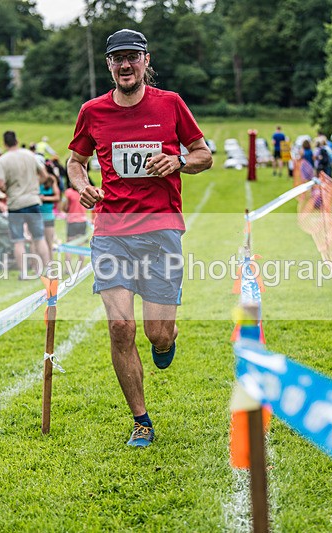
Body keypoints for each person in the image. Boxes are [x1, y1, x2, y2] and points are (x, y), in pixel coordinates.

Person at [67, 28, 213, 447]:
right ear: (109, 65)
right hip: (111, 231)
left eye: (133, 57)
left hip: (160, 231)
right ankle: (141, 420)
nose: (125, 65)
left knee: (157, 334)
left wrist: (178, 161)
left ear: (146, 61)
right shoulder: (92, 111)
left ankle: (167, 339)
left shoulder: (170, 104)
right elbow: (75, 162)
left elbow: (204, 155)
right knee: (119, 327)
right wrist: (83, 185)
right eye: (117, 59)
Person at [0, 130, 51, 279]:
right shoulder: (30, 155)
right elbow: (45, 175)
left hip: (15, 203)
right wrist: (34, 185)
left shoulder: (3, 160)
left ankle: (23, 272)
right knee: (39, 237)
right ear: (17, 141)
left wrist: (8, 189)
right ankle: (48, 269)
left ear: (5, 143)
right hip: (32, 200)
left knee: (18, 240)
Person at [39, 172, 61, 255]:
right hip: (36, 216)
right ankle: (36, 265)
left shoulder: (51, 179)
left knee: (49, 243)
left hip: (48, 216)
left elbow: (57, 197)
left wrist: (44, 198)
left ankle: (50, 265)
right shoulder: (33, 178)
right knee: (37, 242)